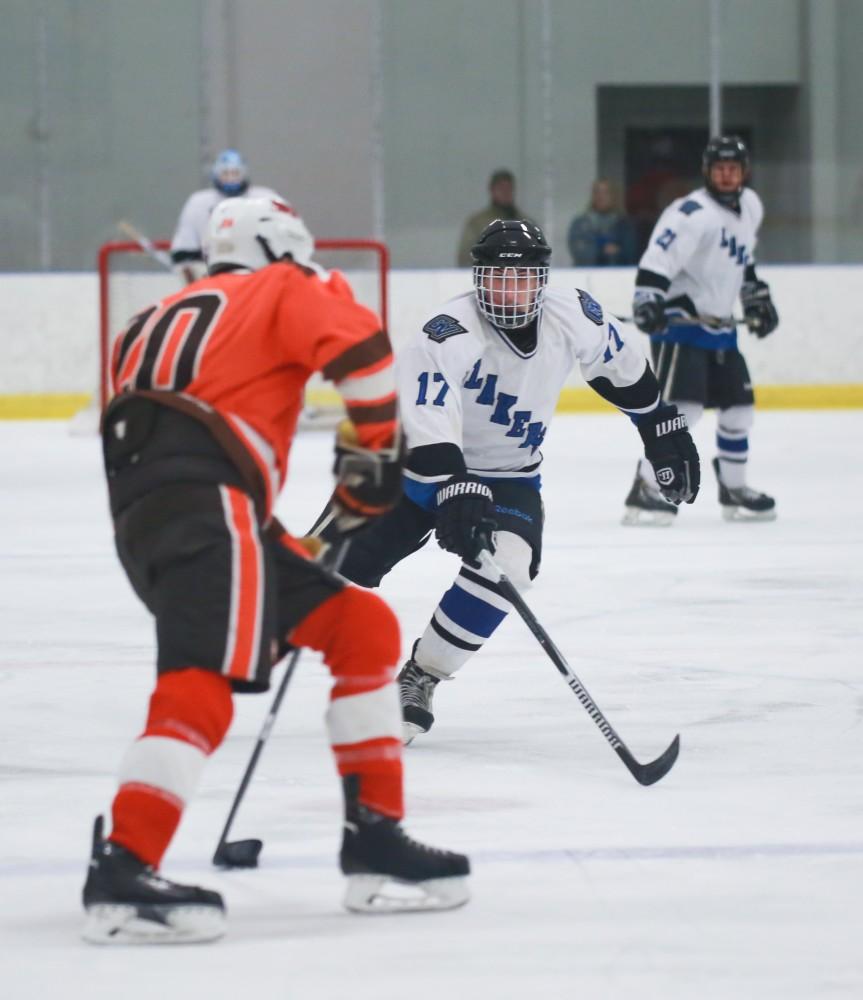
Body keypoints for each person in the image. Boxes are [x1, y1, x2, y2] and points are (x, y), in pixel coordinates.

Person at [82, 196, 469, 945]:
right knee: (202, 679)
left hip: (149, 515)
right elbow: (361, 351)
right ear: (284, 247)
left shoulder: (148, 320)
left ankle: (374, 835)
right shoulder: (288, 284)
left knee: (358, 623)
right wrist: (373, 471)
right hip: (210, 506)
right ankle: (126, 862)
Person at [313, 219, 700, 744]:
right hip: (407, 467)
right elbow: (423, 420)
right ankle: (226, 649)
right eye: (497, 278)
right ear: (478, 279)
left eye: (522, 279)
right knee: (314, 571)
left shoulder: (573, 314)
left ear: (542, 280)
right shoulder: (444, 332)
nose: (510, 290)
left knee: (509, 568)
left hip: (508, 475)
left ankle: (419, 678)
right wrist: (452, 484)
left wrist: (657, 423)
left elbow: (619, 365)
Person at [621, 135, 779, 526]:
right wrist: (647, 299)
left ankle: (734, 486)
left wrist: (756, 298)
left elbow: (742, 260)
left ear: (744, 172)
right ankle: (646, 486)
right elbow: (657, 259)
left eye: (734, 168)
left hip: (720, 329)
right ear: (707, 171)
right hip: (681, 328)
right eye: (720, 168)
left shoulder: (750, 207)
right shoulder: (690, 213)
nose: (727, 175)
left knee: (740, 410)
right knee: (682, 411)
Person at [169, 149, 285, 283]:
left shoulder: (266, 198)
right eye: (225, 173)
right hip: (212, 274)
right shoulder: (198, 202)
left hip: (257, 273)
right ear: (216, 174)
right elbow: (184, 250)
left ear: (243, 173)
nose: (230, 178)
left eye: (235, 173)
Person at [456, 169, 533, 266]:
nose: (505, 192)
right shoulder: (477, 223)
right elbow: (465, 257)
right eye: (501, 188)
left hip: (520, 277)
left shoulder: (526, 224)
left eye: (509, 188)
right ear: (492, 190)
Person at [567, 179, 637, 267]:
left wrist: (618, 253)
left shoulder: (625, 225)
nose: (601, 196)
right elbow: (580, 252)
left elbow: (631, 254)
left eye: (606, 192)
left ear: (613, 196)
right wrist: (602, 251)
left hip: (618, 276)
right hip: (587, 276)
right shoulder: (581, 224)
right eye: (597, 192)